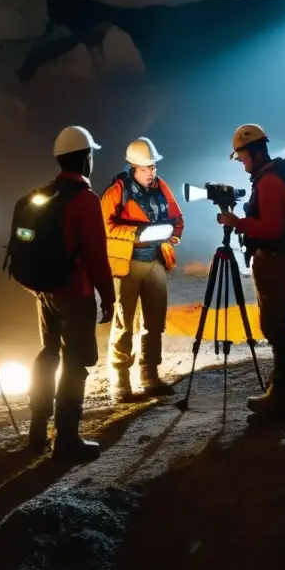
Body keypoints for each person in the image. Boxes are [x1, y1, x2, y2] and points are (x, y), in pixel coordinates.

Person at [28, 125, 116, 461]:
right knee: (76, 363)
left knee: (48, 354)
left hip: (45, 292)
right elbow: (96, 256)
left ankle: (37, 431)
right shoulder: (85, 200)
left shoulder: (44, 195)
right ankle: (66, 439)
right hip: (74, 293)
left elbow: (25, 238)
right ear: (85, 158)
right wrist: (108, 297)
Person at [216, 124, 285, 423]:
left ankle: (284, 400)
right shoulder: (267, 178)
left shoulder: (270, 182)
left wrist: (238, 223)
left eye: (242, 158)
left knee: (277, 327)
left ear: (253, 152)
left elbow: (273, 227)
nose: (241, 164)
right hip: (273, 259)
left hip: (274, 260)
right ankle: (280, 392)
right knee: (275, 325)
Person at [100, 137, 184, 401]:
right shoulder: (117, 191)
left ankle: (150, 376)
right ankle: (121, 382)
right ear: (133, 167)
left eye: (153, 167)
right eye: (147, 168)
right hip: (128, 263)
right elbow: (104, 226)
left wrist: (171, 234)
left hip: (156, 260)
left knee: (155, 322)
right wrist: (137, 233)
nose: (152, 172)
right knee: (124, 323)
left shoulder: (161, 187)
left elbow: (177, 218)